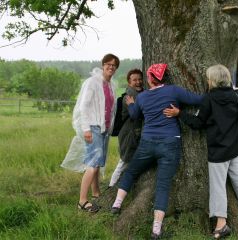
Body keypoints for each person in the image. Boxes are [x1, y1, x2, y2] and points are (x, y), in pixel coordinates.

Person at [164, 64, 238, 239]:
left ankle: (221, 224)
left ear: (213, 81)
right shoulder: (237, 95)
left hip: (218, 151)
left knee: (218, 187)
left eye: (208, 78)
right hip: (235, 148)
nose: (207, 81)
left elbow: (197, 123)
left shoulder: (209, 99)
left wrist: (180, 114)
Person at [111, 63, 203, 239]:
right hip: (170, 143)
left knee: (131, 171)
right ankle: (156, 230)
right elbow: (198, 100)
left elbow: (134, 115)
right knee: (163, 185)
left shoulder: (143, 97)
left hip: (148, 142)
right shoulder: (174, 91)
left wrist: (131, 104)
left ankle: (117, 204)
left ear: (150, 78)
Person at [67, 53, 119, 213]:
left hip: (104, 129)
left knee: (98, 163)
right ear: (103, 65)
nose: (111, 67)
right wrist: (86, 129)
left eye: (114, 65)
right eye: (108, 64)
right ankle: (82, 201)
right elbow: (83, 107)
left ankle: (96, 194)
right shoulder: (92, 83)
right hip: (93, 127)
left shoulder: (110, 85)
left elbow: (110, 110)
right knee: (93, 164)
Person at [108, 69, 144, 187]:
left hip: (135, 133)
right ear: (129, 83)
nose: (138, 82)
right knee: (124, 162)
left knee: (130, 161)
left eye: (139, 79)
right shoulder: (130, 97)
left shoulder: (139, 94)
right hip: (129, 134)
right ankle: (111, 186)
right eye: (134, 80)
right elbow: (137, 114)